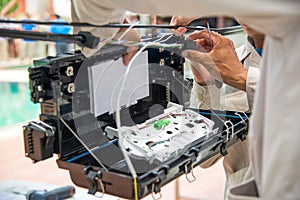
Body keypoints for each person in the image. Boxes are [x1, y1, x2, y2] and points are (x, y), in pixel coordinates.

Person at [71, 1, 300, 199]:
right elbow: (208, 158)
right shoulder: (234, 57)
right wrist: (204, 81)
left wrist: (241, 78)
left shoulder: (242, 66)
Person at [186, 23, 264, 198]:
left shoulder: (233, 68)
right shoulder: (229, 60)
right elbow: (204, 157)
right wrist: (204, 84)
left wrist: (242, 78)